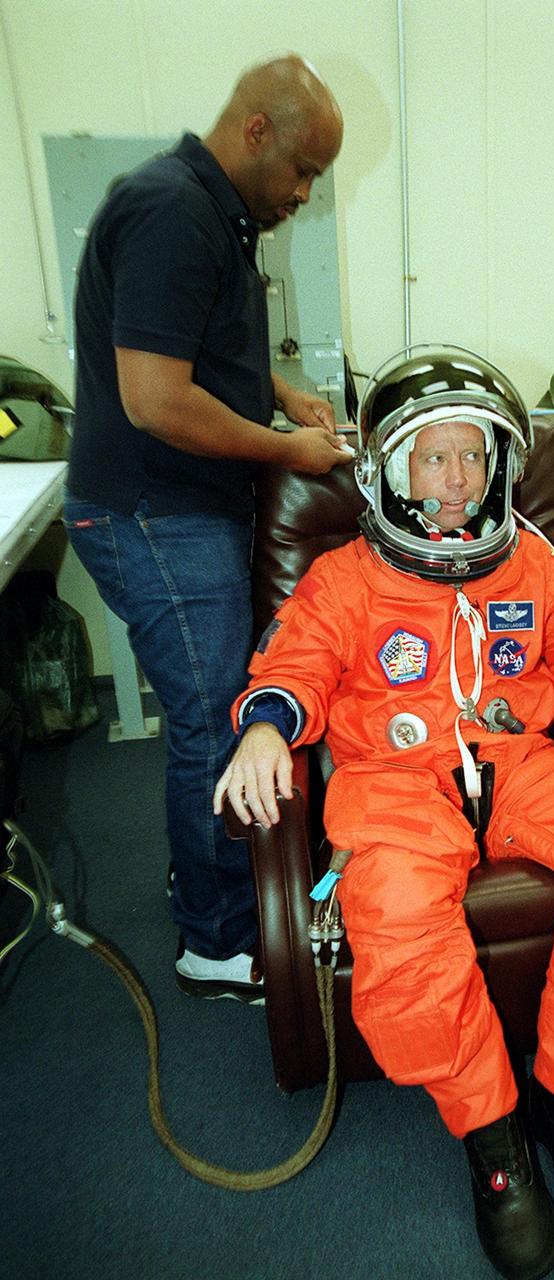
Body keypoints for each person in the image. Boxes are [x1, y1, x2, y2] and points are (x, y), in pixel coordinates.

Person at [214, 347, 554, 1279]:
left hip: (517, 762)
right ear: (386, 469)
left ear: (500, 463)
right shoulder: (340, 578)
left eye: (474, 457)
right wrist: (261, 732)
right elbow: (290, 670)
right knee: (399, 912)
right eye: (431, 458)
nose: (456, 483)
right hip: (391, 781)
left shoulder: (529, 559)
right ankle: (493, 1139)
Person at [64, 54, 352, 1003]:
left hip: (172, 507)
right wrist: (283, 450)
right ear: (256, 131)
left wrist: (281, 391)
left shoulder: (214, 216)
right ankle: (217, 941)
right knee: (214, 722)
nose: (304, 195)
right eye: (301, 171)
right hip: (155, 510)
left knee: (211, 713)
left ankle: (202, 878)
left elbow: (195, 345)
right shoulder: (172, 212)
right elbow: (154, 399)